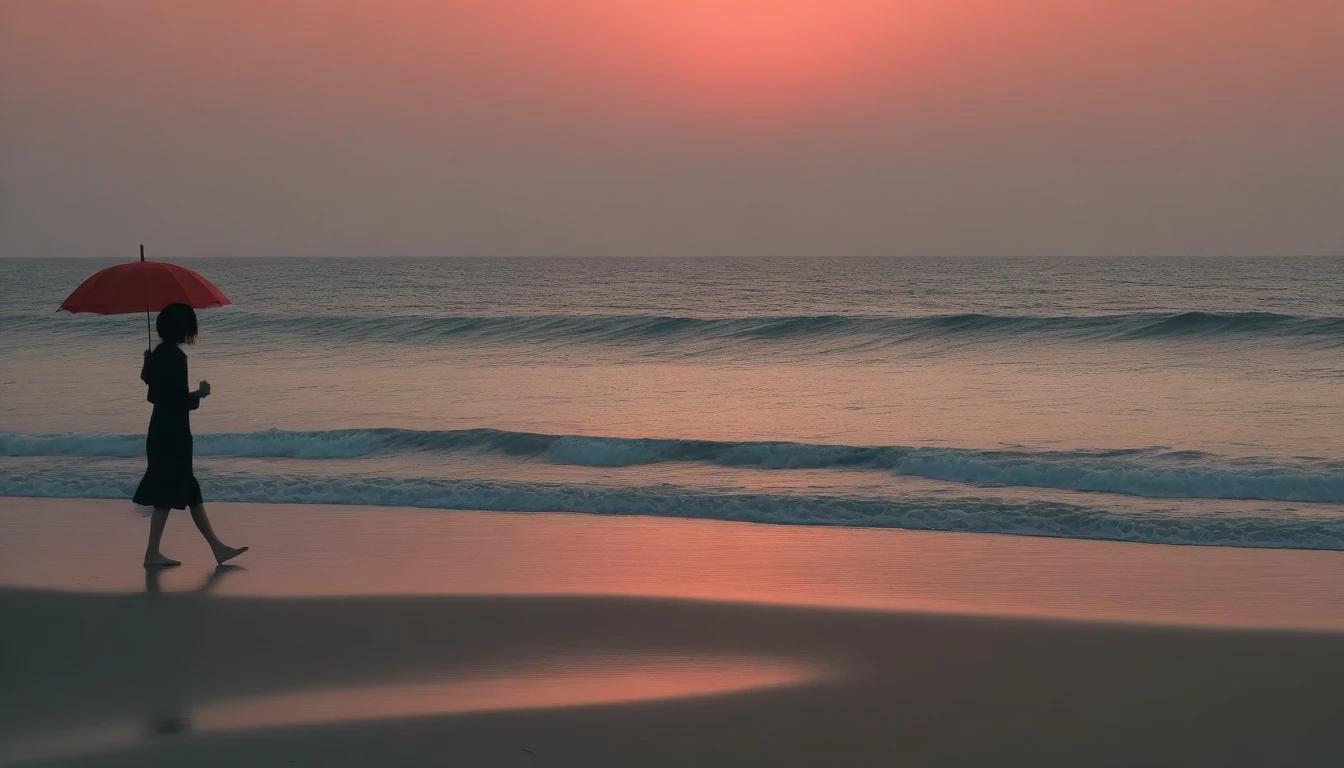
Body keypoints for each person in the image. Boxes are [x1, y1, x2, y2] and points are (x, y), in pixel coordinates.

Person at [134, 302, 247, 567]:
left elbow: (156, 397)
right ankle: (156, 553)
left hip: (160, 430)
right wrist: (199, 395)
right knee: (171, 490)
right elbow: (176, 401)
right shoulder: (176, 357)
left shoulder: (159, 354)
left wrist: (149, 367)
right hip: (174, 434)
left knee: (187, 490)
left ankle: (216, 548)